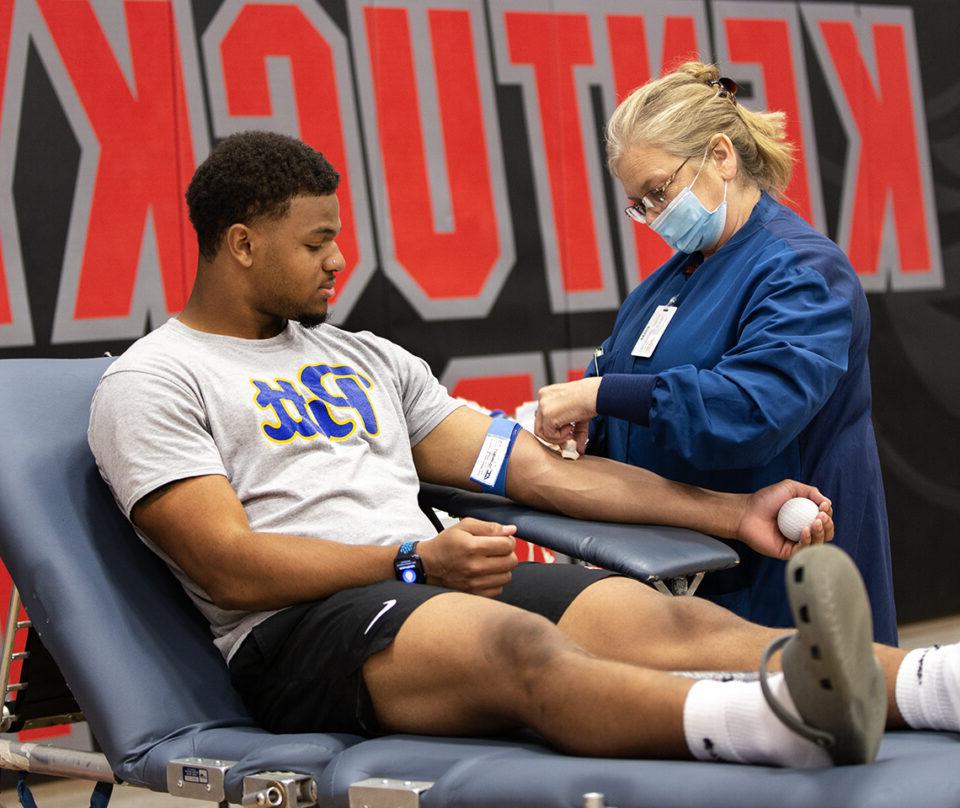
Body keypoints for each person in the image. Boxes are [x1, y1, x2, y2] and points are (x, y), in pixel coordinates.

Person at [88, 131, 957, 770]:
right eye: (317, 243)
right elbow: (230, 566)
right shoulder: (156, 380)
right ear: (241, 245)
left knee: (669, 619)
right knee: (519, 650)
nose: (339, 261)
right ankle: (787, 720)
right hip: (299, 632)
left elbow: (532, 467)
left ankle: (928, 684)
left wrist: (734, 511)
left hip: (419, 576)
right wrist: (407, 559)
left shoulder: (367, 359)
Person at [534, 62, 897, 644]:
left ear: (722, 156)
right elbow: (626, 393)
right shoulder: (662, 287)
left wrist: (600, 394)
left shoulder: (802, 272)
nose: (652, 217)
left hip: (784, 582)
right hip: (675, 587)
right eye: (638, 205)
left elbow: (749, 412)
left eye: (659, 192)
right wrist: (589, 426)